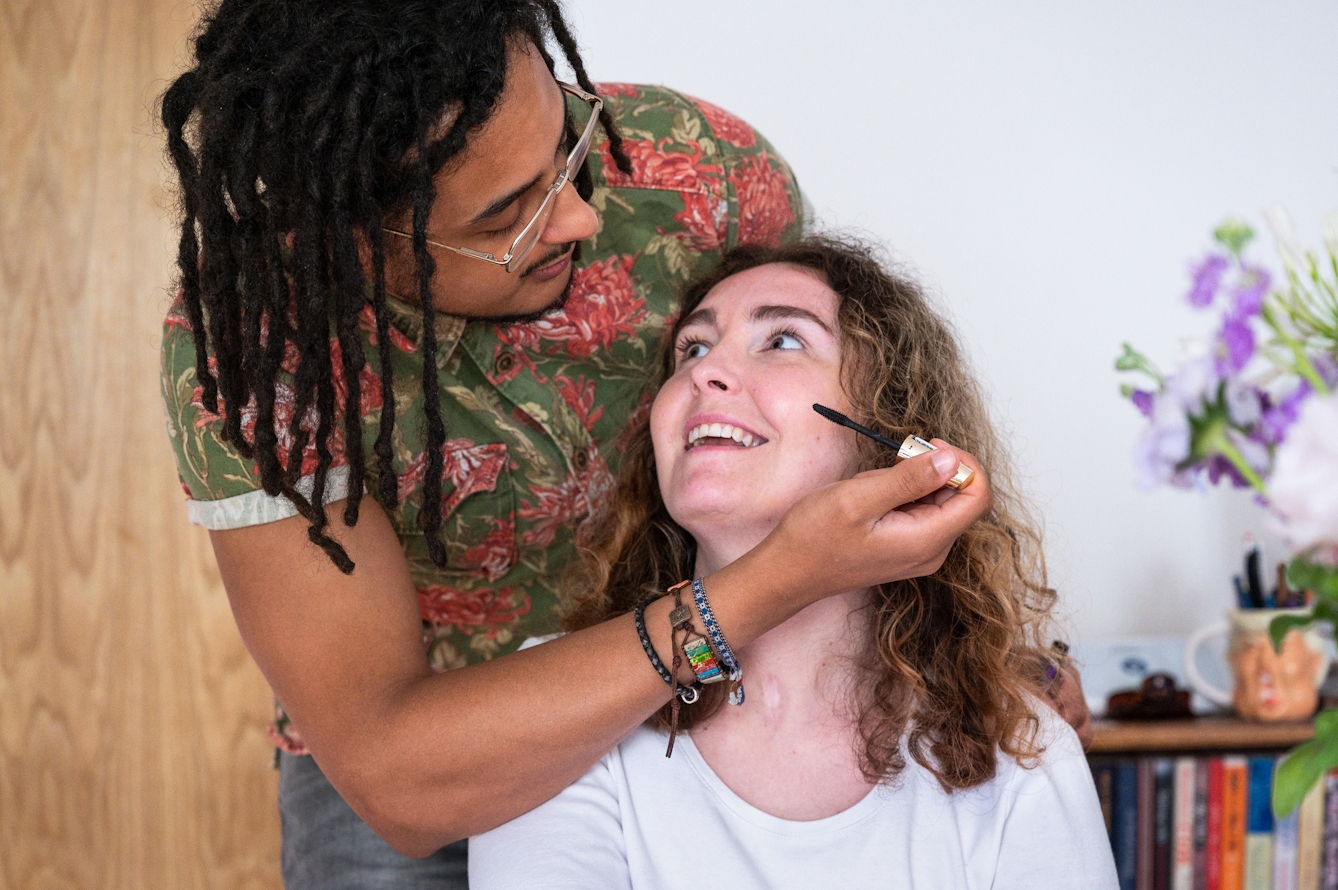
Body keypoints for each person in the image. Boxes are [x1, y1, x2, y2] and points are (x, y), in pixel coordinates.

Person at [158, 1, 1085, 886]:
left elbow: (834, 401)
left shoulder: (700, 170)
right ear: (357, 247)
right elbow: (396, 776)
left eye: (568, 142)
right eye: (507, 213)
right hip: (424, 747)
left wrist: (963, 635)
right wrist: (765, 586)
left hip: (723, 675)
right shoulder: (250, 347)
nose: (582, 218)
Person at [469, 236, 1118, 889]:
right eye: (691, 348)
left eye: (783, 340)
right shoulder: (554, 716)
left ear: (893, 432)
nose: (704, 371)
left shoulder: (1023, 746)